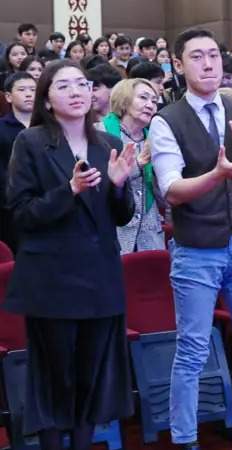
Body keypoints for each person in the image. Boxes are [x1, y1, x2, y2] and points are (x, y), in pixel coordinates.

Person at [148, 28, 232, 450]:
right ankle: (185, 440)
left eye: (213, 56)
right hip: (196, 250)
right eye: (197, 57)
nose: (208, 63)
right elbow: (170, 190)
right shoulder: (166, 120)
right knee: (192, 350)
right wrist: (218, 174)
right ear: (179, 65)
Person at [3, 59, 136, 450]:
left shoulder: (108, 144)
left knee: (89, 377)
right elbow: (22, 214)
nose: (77, 92)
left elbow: (122, 215)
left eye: (82, 84)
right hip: (52, 281)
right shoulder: (31, 142)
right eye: (64, 86)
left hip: (100, 278)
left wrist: (116, 187)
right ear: (46, 97)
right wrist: (70, 190)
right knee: (53, 377)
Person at [102, 78, 164, 254]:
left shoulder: (156, 138)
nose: (150, 105)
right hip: (114, 233)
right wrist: (138, 164)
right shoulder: (101, 133)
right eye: (143, 98)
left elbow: (163, 197)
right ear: (124, 99)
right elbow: (99, 184)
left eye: (154, 100)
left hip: (150, 235)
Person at [0, 72, 36, 250]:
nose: (29, 94)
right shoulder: (2, 129)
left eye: (33, 90)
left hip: (45, 202)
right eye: (22, 90)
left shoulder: (48, 126)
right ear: (8, 96)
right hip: (10, 207)